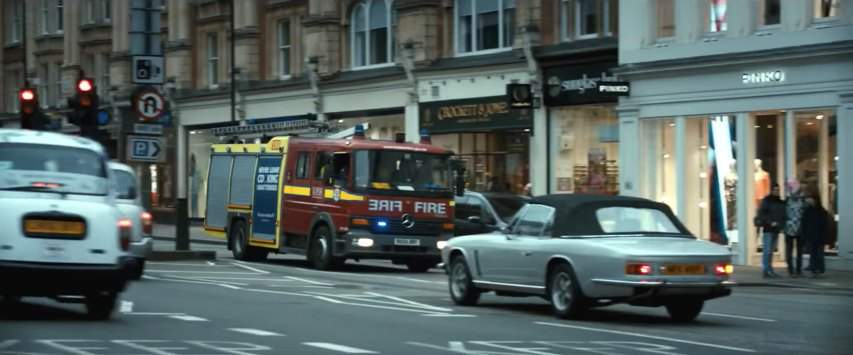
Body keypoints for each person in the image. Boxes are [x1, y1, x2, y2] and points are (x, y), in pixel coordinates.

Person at [755, 183, 786, 278]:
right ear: (771, 190)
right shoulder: (767, 201)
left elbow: (782, 215)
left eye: (778, 190)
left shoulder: (780, 202)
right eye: (775, 190)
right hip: (768, 229)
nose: (777, 191)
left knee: (770, 251)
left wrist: (780, 225)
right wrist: (770, 222)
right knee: (767, 251)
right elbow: (762, 214)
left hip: (775, 229)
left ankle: (769, 269)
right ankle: (766, 270)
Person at [802, 194, 829, 278]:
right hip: (811, 236)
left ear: (815, 200)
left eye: (811, 199)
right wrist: (805, 234)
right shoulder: (807, 211)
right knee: (813, 254)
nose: (809, 200)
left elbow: (825, 225)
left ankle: (820, 270)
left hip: (820, 236)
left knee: (819, 254)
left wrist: (825, 236)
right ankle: (814, 270)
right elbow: (804, 224)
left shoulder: (822, 211)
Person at [784, 179, 806, 277]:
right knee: (793, 250)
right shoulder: (789, 200)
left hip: (797, 228)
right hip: (791, 228)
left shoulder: (801, 200)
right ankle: (793, 270)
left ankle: (795, 270)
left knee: (797, 250)